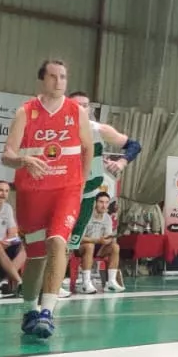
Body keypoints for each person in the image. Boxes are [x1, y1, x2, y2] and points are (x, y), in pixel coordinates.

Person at [3, 57, 96, 340]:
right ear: (43, 79)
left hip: (66, 190)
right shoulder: (26, 112)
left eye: (64, 77)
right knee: (36, 257)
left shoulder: (75, 111)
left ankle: (47, 311)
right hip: (33, 193)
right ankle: (30, 308)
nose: (59, 81)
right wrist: (23, 161)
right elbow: (7, 155)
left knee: (58, 243)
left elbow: (87, 147)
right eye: (54, 76)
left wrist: (81, 184)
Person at [68, 91, 136, 297]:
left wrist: (121, 162)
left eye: (85, 105)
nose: (81, 108)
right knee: (59, 241)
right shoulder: (60, 129)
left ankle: (104, 282)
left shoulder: (98, 130)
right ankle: (56, 283)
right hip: (66, 194)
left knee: (72, 242)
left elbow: (135, 145)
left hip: (88, 194)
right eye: (77, 104)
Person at [75, 192, 123, 292]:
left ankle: (111, 282)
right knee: (89, 246)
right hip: (81, 246)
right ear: (95, 203)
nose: (104, 205)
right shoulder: (86, 216)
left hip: (99, 246)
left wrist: (108, 240)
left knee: (115, 247)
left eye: (106, 202)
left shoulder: (107, 218)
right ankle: (85, 284)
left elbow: (108, 236)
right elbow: (79, 238)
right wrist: (97, 240)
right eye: (101, 202)